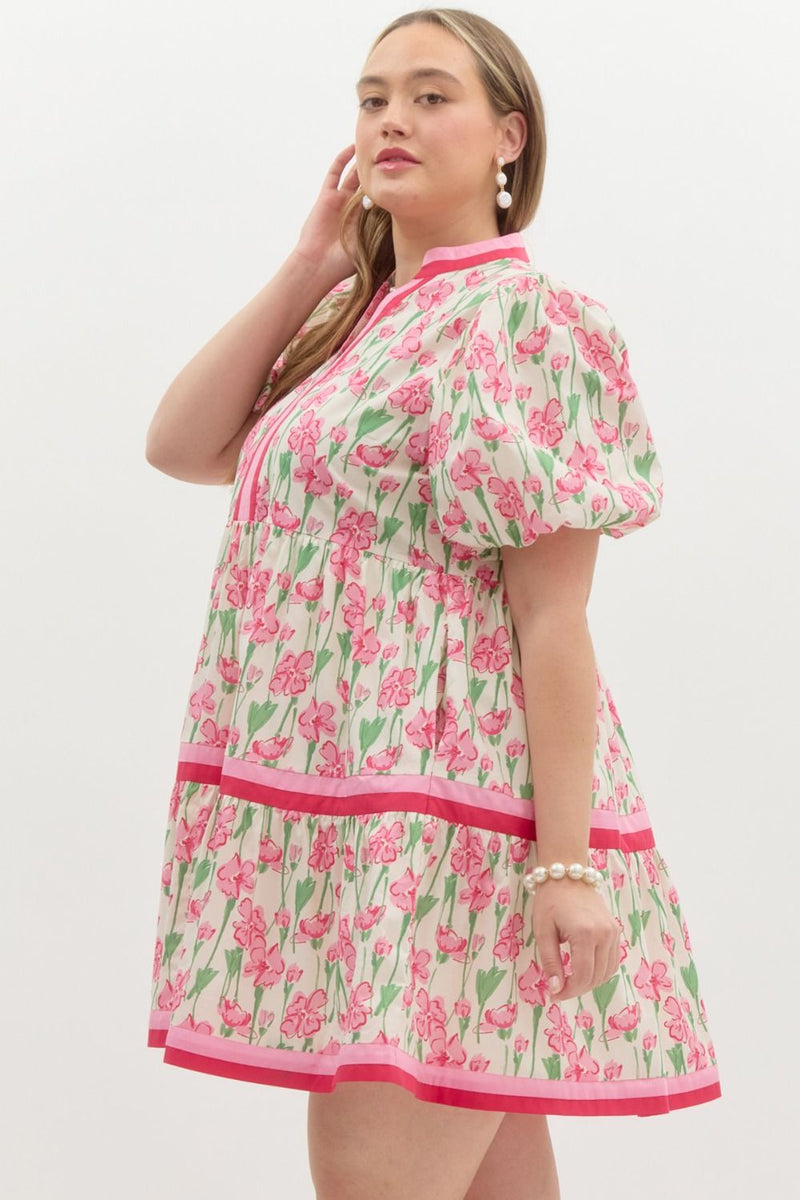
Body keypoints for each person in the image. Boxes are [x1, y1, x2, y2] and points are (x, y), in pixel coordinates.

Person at [144, 8, 722, 1198]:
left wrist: (563, 868)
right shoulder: (356, 321)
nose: (390, 120)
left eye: (428, 95)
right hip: (360, 818)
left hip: (446, 830)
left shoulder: (523, 321)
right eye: (370, 99)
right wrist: (309, 266)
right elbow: (182, 444)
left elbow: (551, 617)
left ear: (509, 136)